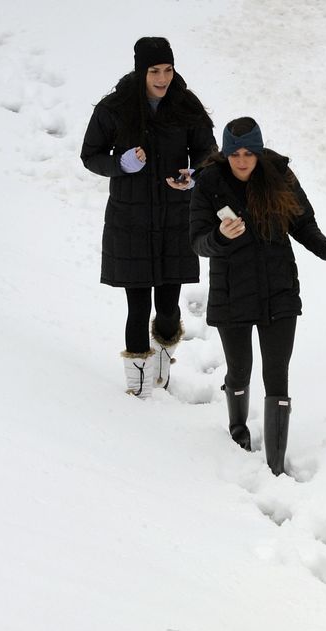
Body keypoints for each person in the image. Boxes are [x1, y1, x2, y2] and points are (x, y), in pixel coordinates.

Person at [189, 116, 326, 473]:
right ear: (225, 154)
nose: (242, 161)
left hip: (279, 291)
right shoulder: (210, 183)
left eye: (249, 153)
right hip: (232, 293)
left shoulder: (279, 177)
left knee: (277, 374)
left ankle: (275, 463)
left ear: (259, 152)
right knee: (240, 368)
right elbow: (197, 240)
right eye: (235, 154)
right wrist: (220, 237)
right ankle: (238, 430)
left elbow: (302, 223)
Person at [80, 37, 216, 397]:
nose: (162, 78)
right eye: (155, 70)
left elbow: (207, 151)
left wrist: (194, 175)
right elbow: (90, 155)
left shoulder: (185, 104)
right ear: (142, 70)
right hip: (131, 220)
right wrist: (120, 164)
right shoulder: (116, 108)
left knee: (168, 309)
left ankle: (162, 363)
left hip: (175, 219)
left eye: (168, 70)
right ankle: (138, 393)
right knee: (137, 307)